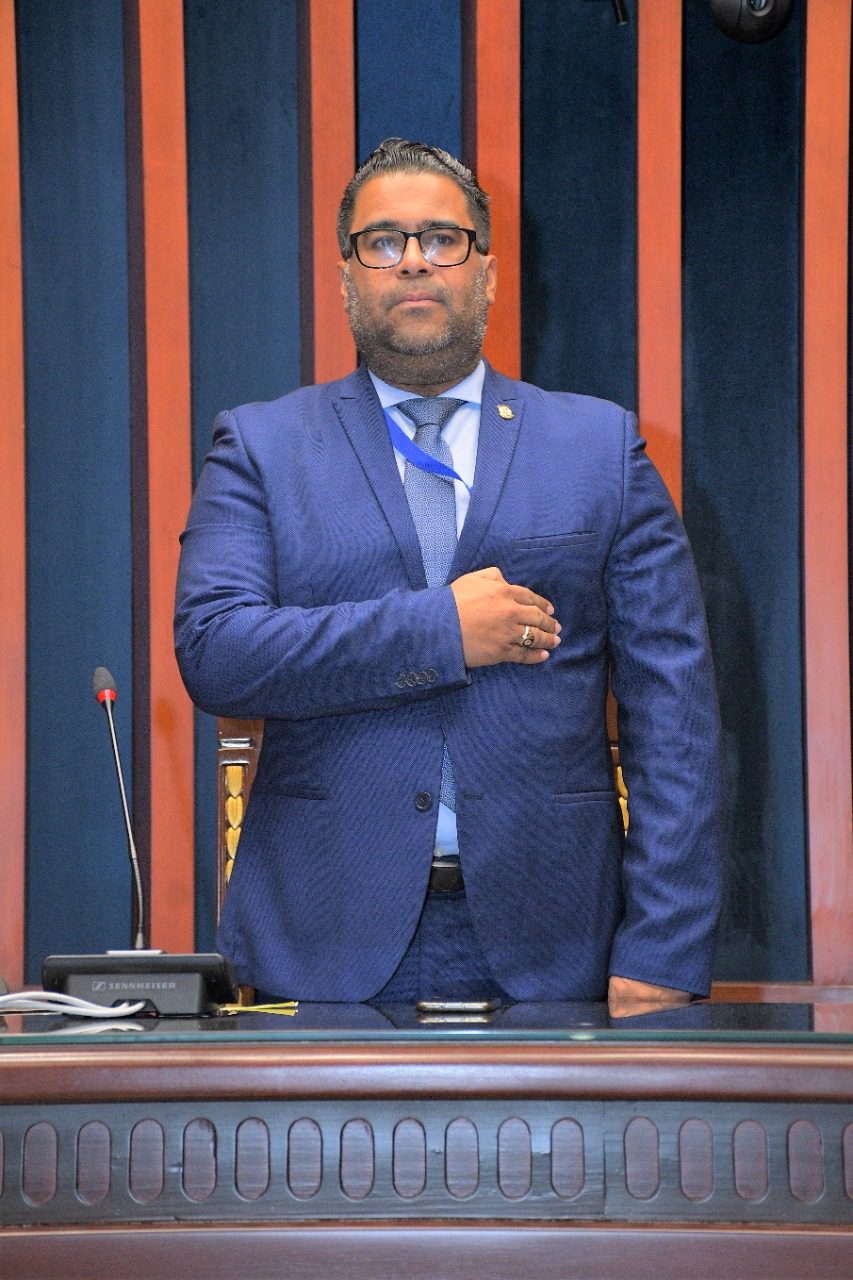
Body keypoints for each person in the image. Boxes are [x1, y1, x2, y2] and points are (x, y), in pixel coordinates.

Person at [174, 138, 723, 1008]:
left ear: (490, 271)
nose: (415, 261)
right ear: (348, 275)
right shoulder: (263, 446)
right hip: (318, 940)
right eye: (382, 241)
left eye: (443, 237)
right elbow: (215, 651)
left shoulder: (598, 448)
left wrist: (664, 946)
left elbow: (676, 717)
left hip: (561, 944)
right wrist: (442, 630)